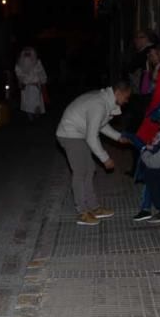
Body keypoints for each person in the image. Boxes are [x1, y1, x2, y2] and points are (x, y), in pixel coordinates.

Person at [55, 80, 133, 226]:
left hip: (79, 133)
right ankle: (82, 212)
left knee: (89, 169)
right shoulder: (99, 104)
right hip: (69, 133)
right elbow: (92, 136)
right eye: (126, 97)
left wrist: (118, 137)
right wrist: (105, 159)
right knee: (80, 172)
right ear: (118, 93)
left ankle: (93, 207)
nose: (126, 101)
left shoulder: (105, 101)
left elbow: (100, 125)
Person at [14, 46, 47, 121]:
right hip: (26, 88)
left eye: (29, 53)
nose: (27, 55)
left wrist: (42, 82)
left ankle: (36, 118)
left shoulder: (37, 63)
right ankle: (31, 118)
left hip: (35, 87)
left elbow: (42, 73)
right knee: (27, 104)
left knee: (36, 103)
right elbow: (19, 74)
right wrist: (22, 82)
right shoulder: (19, 64)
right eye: (26, 53)